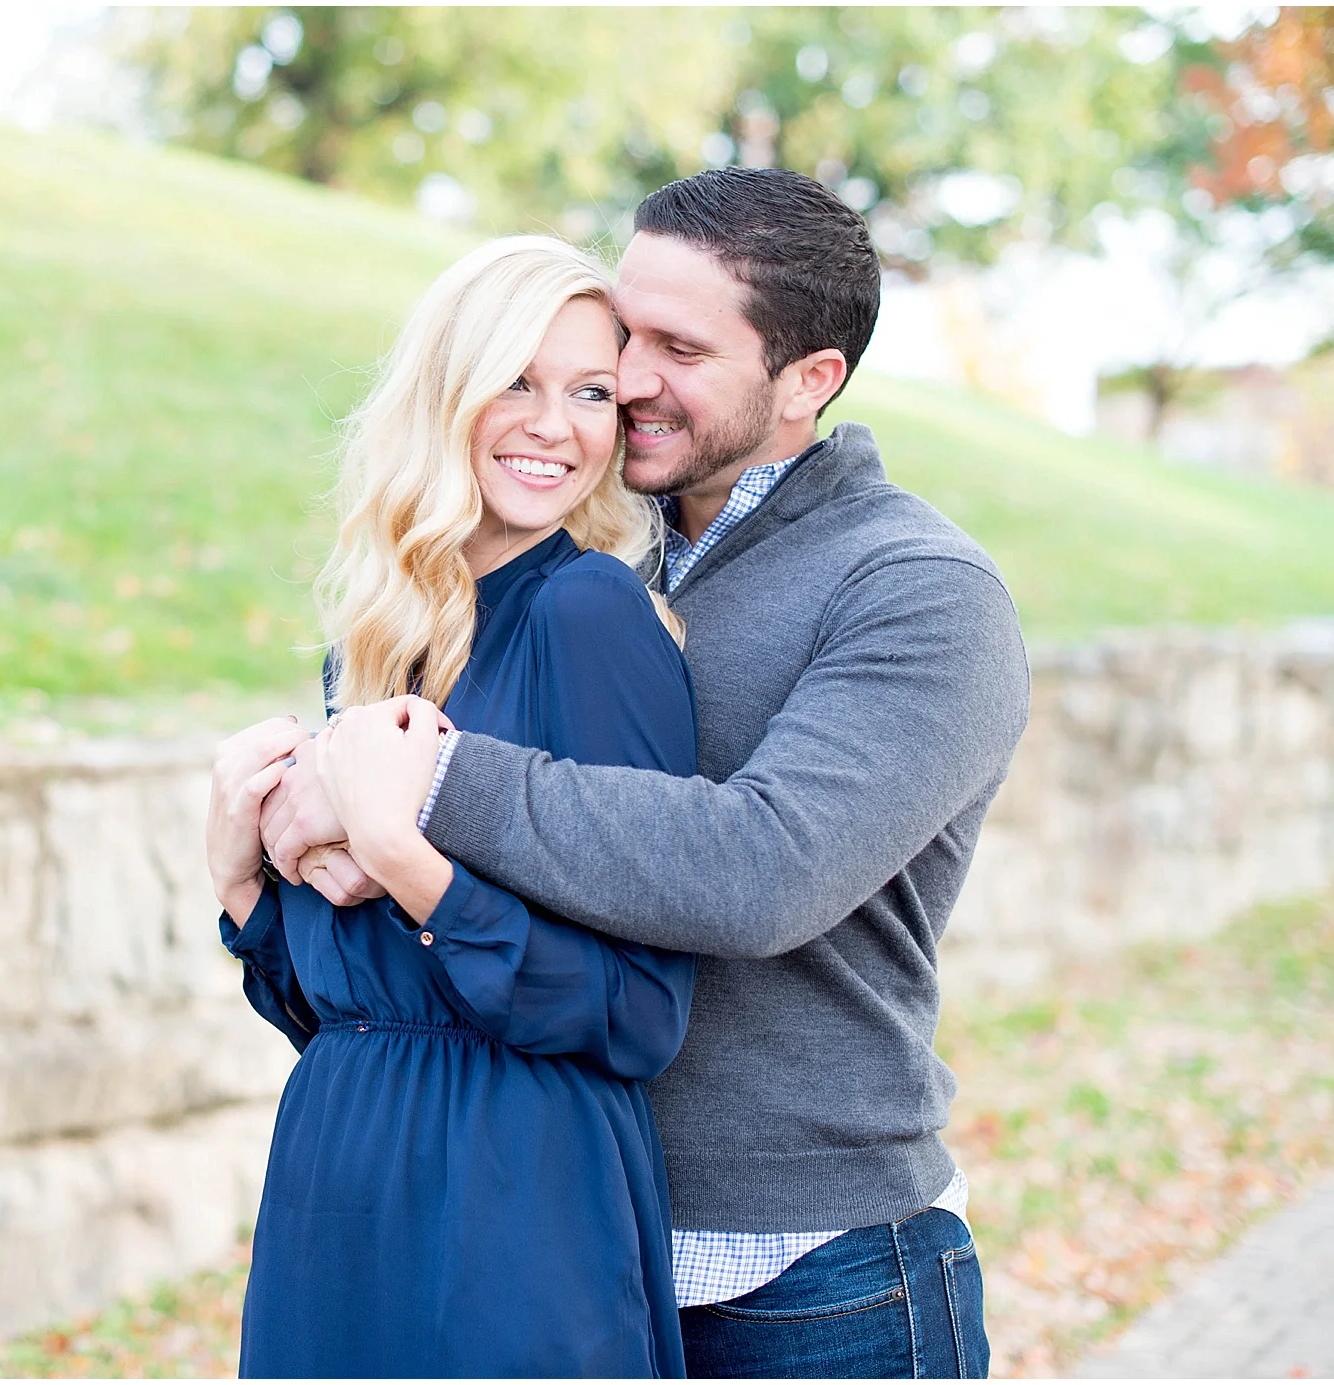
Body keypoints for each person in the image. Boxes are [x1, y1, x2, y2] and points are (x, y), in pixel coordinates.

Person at [251, 169, 1031, 1379]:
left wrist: (415, 785)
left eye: (679, 347)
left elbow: (761, 870)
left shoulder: (915, 590)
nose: (633, 377)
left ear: (806, 381)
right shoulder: (573, 558)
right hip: (555, 1232)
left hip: (811, 1275)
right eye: (629, 330)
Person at [204, 235, 700, 1377]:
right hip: (341, 1180)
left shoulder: (588, 616)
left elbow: (637, 1014)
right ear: (446, 391)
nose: (555, 424)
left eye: (588, 392)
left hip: (515, 1198)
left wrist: (400, 851)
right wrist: (241, 885)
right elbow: (349, 1012)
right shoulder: (378, 638)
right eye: (515, 381)